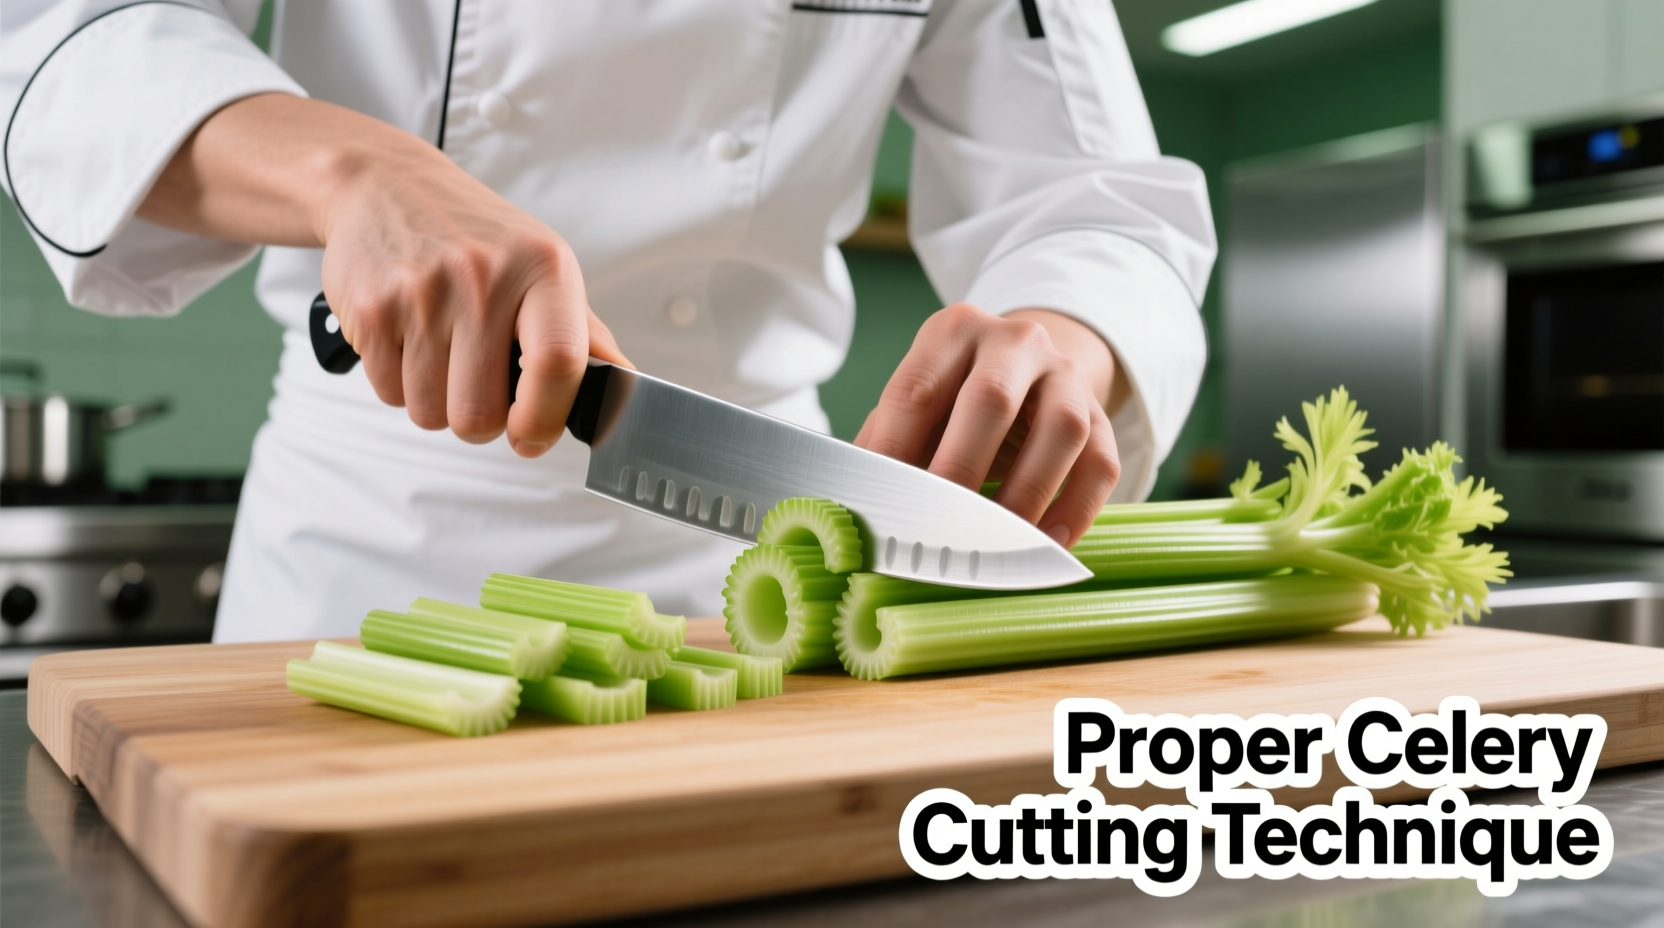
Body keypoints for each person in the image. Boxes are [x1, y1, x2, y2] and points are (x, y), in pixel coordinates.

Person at [1, 0, 1215, 641]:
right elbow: (62, 36)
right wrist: (354, 173)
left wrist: (1064, 333)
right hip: (367, 553)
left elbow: (1091, 193)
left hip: (754, 575)